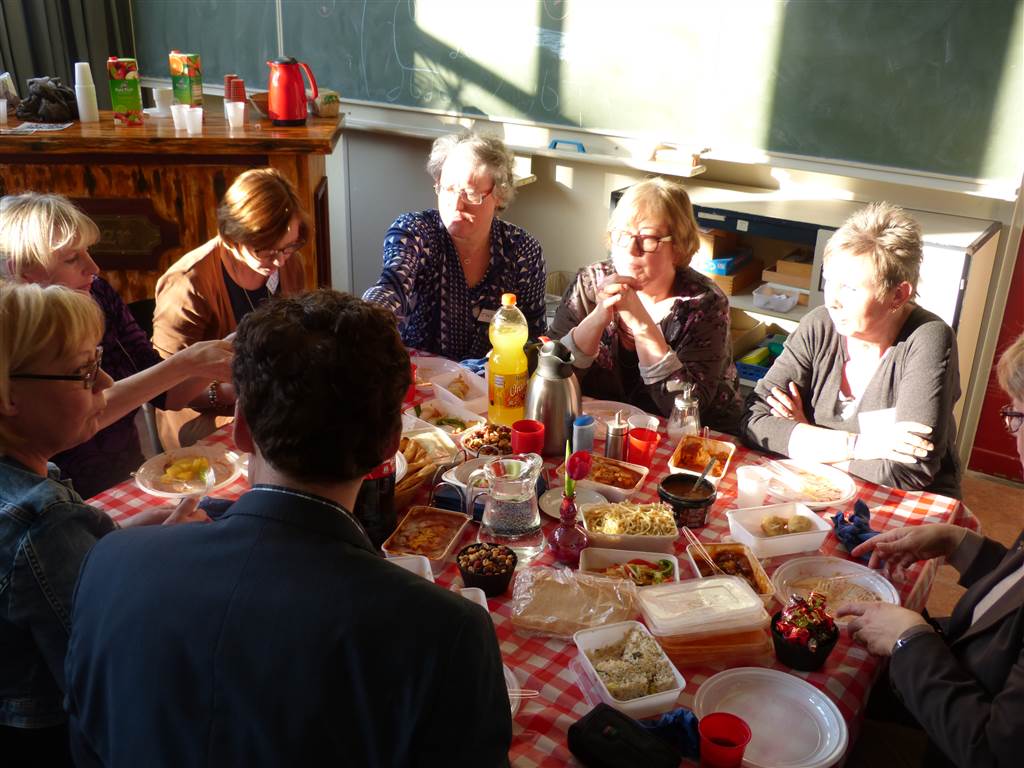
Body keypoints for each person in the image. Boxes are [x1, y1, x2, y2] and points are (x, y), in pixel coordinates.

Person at [65, 290, 512, 767]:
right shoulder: (446, 634)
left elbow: (87, 748)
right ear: (390, 447)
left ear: (239, 428)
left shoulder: (108, 562)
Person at [0, 282, 197, 760]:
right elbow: (111, 666)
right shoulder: (45, 520)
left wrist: (118, 542)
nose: (106, 383)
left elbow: (38, 583)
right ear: (8, 395)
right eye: (84, 371)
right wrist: (154, 566)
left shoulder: (28, 486)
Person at [838, 331, 1024, 768]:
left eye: (1017, 415)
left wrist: (910, 640)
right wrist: (958, 543)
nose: (1013, 434)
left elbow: (993, 752)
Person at [0, 192, 233, 498]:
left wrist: (221, 353)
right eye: (71, 258)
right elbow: (81, 418)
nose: (93, 267)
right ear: (21, 270)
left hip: (124, 473)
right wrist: (186, 363)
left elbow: (166, 394)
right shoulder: (14, 337)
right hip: (56, 493)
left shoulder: (96, 293)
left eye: (88, 251)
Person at [741, 202, 961, 498]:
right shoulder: (819, 324)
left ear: (898, 295)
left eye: (850, 288)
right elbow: (754, 422)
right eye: (829, 281)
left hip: (904, 503)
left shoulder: (928, 338)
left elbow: (910, 470)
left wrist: (806, 440)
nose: (832, 300)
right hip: (816, 491)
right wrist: (860, 445)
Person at [548, 177, 741, 431]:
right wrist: (596, 320)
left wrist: (640, 323)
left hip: (695, 438)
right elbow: (549, 378)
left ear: (678, 248)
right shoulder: (590, 283)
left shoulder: (705, 304)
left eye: (648, 239)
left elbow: (685, 410)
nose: (631, 249)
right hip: (602, 430)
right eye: (622, 235)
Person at [152, 167, 307, 447]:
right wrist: (234, 391)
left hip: (267, 401)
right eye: (267, 251)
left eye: (288, 246)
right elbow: (165, 389)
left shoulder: (289, 264)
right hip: (200, 418)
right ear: (231, 239)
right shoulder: (186, 285)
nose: (280, 261)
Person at [363, 131, 546, 362]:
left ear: (499, 194)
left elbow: (535, 338)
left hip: (494, 378)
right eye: (448, 189)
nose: (456, 205)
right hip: (419, 378)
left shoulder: (523, 251)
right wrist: (365, 317)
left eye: (470, 194)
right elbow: (391, 286)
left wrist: (497, 362)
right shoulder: (415, 232)